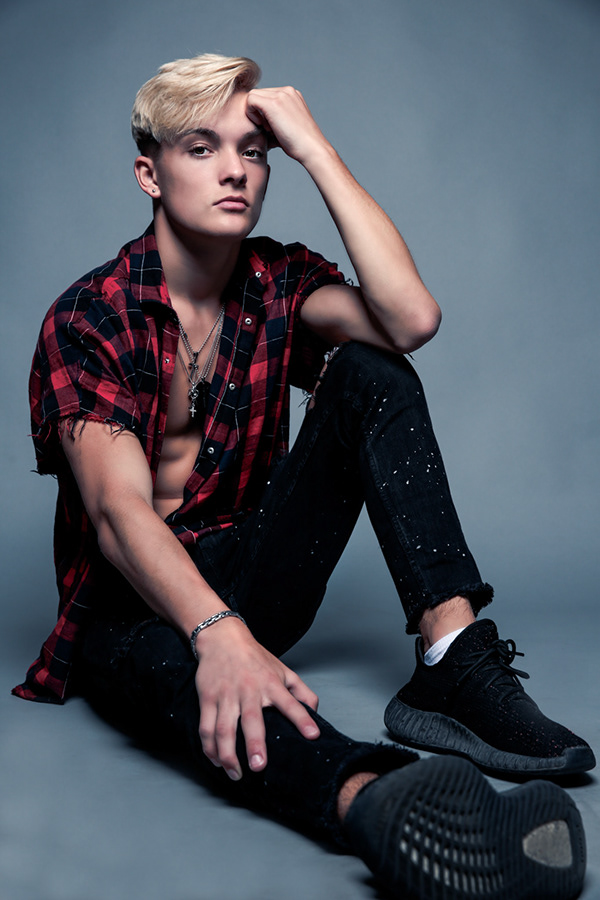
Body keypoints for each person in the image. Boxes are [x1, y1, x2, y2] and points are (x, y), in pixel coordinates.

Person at [14, 54, 593, 899]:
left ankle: (451, 655)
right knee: (187, 677)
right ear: (149, 174)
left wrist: (314, 148)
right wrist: (219, 635)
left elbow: (411, 319)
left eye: (254, 152)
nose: (235, 170)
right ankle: (376, 800)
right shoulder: (91, 316)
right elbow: (117, 514)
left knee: (373, 370)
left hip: (253, 579)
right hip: (133, 607)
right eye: (202, 148)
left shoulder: (276, 283)